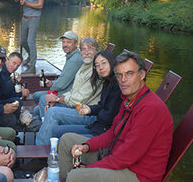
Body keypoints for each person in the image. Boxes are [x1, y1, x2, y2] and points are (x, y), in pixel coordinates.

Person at [58, 51, 174, 182]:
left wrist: (89, 169)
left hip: (137, 175)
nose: (123, 80)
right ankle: (63, 179)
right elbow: (112, 133)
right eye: (119, 75)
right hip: (117, 157)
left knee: (76, 176)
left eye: (129, 74)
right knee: (67, 140)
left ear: (142, 74)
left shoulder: (150, 108)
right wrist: (87, 145)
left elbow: (126, 156)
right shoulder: (128, 101)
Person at [35, 38, 102, 144]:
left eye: (90, 49)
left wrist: (57, 99)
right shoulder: (84, 67)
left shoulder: (96, 70)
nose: (86, 52)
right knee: (44, 100)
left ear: (97, 51)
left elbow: (80, 98)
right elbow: (73, 91)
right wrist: (56, 99)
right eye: (83, 49)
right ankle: (46, 132)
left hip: (87, 113)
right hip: (77, 106)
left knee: (52, 112)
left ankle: (41, 147)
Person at [50, 50, 122, 140]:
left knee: (64, 139)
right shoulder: (107, 82)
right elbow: (102, 106)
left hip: (103, 133)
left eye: (104, 63)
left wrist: (92, 113)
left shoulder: (118, 86)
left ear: (112, 62)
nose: (101, 68)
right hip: (96, 126)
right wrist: (88, 109)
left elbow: (109, 116)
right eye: (97, 65)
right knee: (55, 131)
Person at [32, 31, 83, 104]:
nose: (65, 45)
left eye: (68, 42)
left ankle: (45, 113)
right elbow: (63, 79)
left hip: (68, 94)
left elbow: (61, 84)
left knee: (40, 98)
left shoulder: (74, 61)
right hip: (67, 90)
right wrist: (51, 83)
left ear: (76, 44)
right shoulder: (72, 56)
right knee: (36, 95)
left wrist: (52, 86)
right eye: (63, 42)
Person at [14, 0, 45, 74]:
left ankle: (32, 65)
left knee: (31, 41)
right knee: (23, 41)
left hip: (34, 17)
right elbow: (16, 0)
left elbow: (40, 5)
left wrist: (26, 3)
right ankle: (31, 56)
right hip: (24, 17)